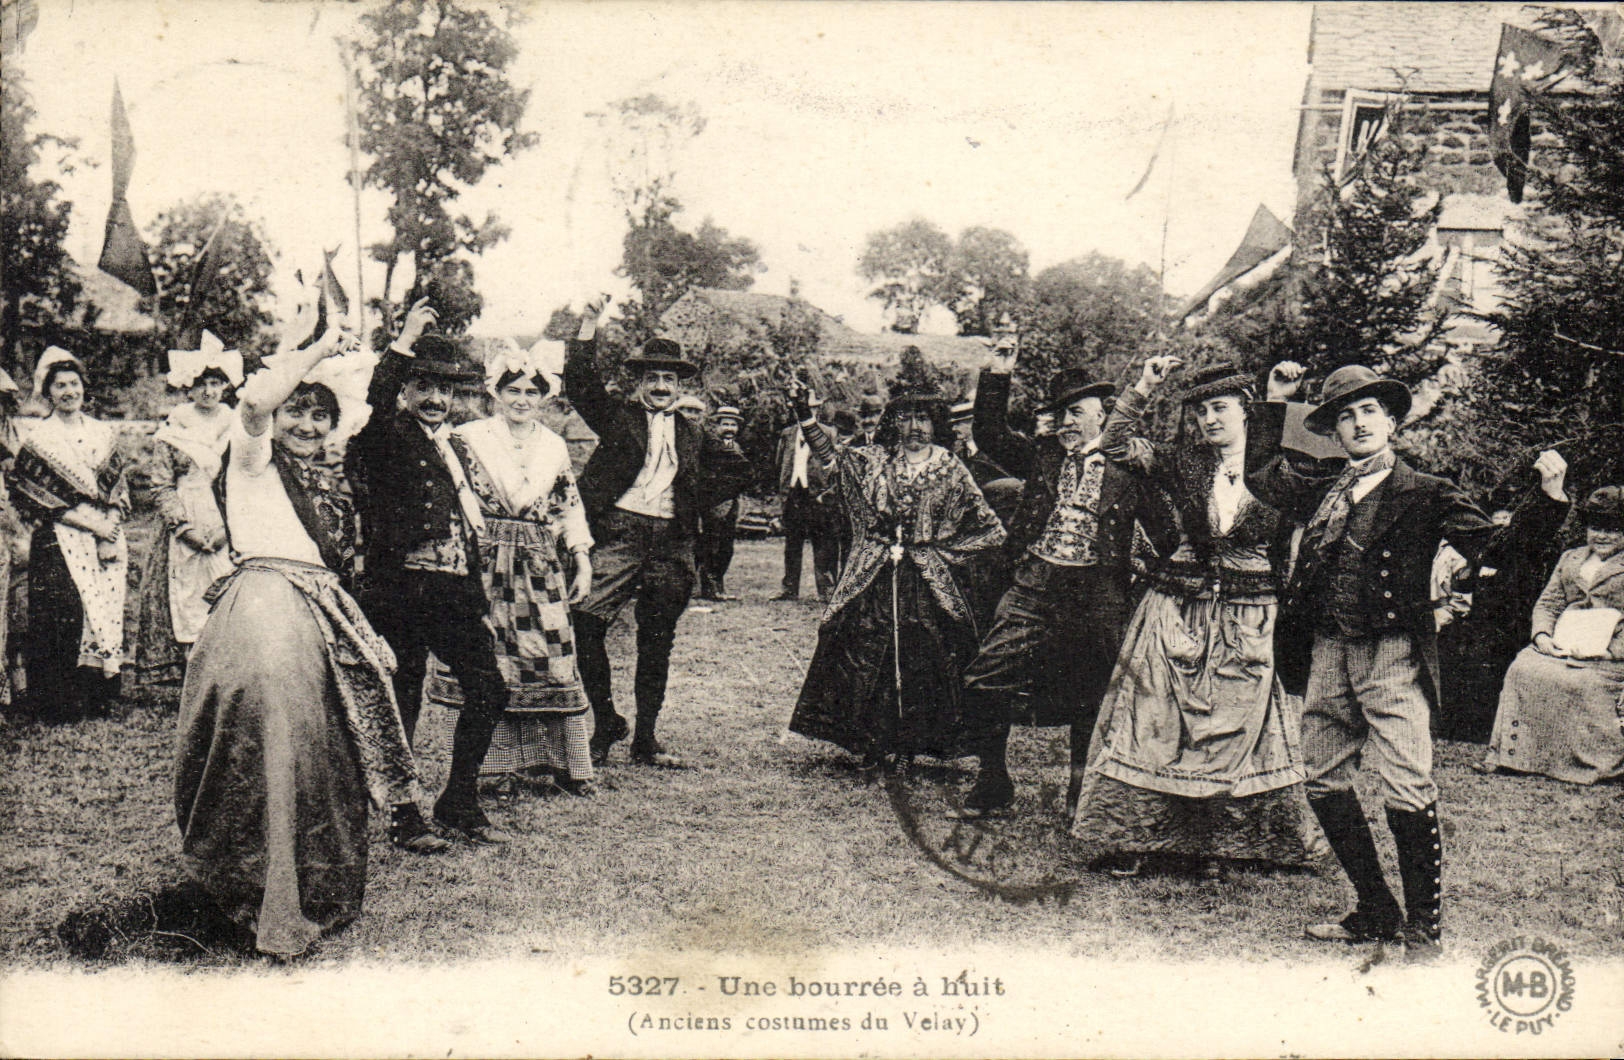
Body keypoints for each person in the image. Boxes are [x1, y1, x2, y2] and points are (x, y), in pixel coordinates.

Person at [1247, 361, 1569, 951]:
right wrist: (1274, 403)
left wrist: (1547, 501)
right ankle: (1376, 909)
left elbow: (1493, 550)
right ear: (1334, 433)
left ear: (1392, 421)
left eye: (1369, 411)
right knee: (1321, 781)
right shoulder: (1323, 485)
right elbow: (1260, 476)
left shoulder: (1426, 491)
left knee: (1407, 783)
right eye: (1345, 416)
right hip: (1327, 652)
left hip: (1393, 653)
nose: (1357, 423)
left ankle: (1424, 928)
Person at [175, 315, 431, 959]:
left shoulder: (335, 475)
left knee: (326, 747)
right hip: (263, 608)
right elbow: (256, 401)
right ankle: (255, 890)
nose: (307, 426)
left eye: (320, 416)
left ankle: (310, 888)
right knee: (272, 741)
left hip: (320, 612)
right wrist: (318, 348)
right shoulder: (254, 460)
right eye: (298, 412)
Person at [1070, 358, 1321, 876]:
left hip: (1249, 611)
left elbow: (1328, 465)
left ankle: (1220, 844)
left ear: (1247, 412)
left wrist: (1281, 400)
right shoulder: (1182, 461)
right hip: (1176, 604)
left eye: (1220, 408)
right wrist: (1144, 385)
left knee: (1235, 726)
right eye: (1201, 410)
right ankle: (1137, 840)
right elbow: (1115, 444)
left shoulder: (1282, 469)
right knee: (1153, 718)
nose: (1209, 419)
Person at [953, 334, 1145, 818]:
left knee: (1094, 694)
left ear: (1104, 414)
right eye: (1059, 415)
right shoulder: (1044, 455)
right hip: (1035, 583)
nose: (1065, 423)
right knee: (984, 678)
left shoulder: (1131, 463)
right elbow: (992, 433)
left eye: (1076, 413)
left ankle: (1082, 800)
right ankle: (993, 781)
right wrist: (998, 373)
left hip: (1099, 590)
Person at [347, 299, 513, 845]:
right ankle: (401, 814)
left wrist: (477, 598)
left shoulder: (454, 446)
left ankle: (458, 801)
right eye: (424, 387)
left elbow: (466, 527)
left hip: (452, 590)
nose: (436, 399)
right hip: (399, 588)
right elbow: (370, 404)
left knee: (488, 687)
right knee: (404, 697)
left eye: (446, 389)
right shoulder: (384, 435)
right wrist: (402, 341)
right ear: (405, 390)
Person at [565, 302, 750, 768]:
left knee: (657, 636)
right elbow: (580, 385)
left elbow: (739, 469)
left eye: (670, 379)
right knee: (585, 620)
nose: (662, 386)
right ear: (639, 382)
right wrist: (588, 327)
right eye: (653, 378)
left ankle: (645, 738)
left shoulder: (694, 433)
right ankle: (606, 720)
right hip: (618, 534)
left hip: (671, 542)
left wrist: (696, 501)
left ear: (680, 385)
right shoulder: (616, 417)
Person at [788, 378, 1006, 771]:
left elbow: (990, 528)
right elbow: (832, 455)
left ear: (935, 424)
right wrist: (804, 415)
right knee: (868, 651)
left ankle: (917, 743)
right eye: (906, 419)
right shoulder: (876, 459)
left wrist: (945, 552)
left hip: (927, 582)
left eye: (923, 419)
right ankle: (873, 742)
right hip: (875, 574)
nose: (915, 428)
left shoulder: (951, 469)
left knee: (924, 655)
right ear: (896, 424)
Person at [423, 345, 599, 796]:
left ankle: (562, 764)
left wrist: (580, 556)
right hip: (485, 557)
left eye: (531, 392)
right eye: (513, 390)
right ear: (496, 392)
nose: (522, 399)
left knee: (549, 654)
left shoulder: (554, 444)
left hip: (539, 560)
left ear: (543, 396)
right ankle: (494, 769)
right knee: (494, 657)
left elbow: (567, 505)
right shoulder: (467, 437)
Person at [9, 348, 130, 721]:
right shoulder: (39, 437)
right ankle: (57, 702)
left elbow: (117, 485)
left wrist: (108, 528)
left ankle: (98, 696)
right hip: (57, 538)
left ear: (83, 387)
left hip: (104, 535)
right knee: (62, 615)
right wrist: (88, 523)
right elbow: (34, 494)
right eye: (59, 385)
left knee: (102, 611)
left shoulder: (101, 431)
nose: (68, 391)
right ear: (48, 392)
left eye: (73, 384)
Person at [129, 332, 242, 707]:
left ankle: (224, 680)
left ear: (226, 385)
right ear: (188, 387)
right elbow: (160, 484)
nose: (209, 391)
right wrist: (184, 527)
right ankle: (188, 681)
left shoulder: (236, 425)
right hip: (184, 520)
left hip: (227, 519)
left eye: (216, 383)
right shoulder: (175, 428)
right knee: (183, 595)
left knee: (226, 592)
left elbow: (241, 479)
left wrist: (226, 528)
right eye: (201, 384)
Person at [1482, 485, 1624, 784]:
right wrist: (1543, 636)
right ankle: (1514, 755)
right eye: (1595, 527)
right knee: (1523, 667)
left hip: (1608, 655)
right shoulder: (1570, 558)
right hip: (1562, 643)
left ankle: (1590, 762)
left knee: (1582, 682)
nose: (1601, 536)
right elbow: (1549, 602)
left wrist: (1610, 651)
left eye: (1611, 530)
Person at [773, 395, 842, 602]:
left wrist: (828, 492)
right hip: (794, 493)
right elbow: (780, 464)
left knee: (823, 542)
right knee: (792, 543)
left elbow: (835, 466)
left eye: (813, 408)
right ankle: (789, 588)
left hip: (818, 494)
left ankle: (827, 589)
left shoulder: (828, 433)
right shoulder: (787, 434)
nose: (808, 412)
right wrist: (783, 494)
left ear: (818, 410)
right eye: (804, 408)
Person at [695, 404, 751, 601]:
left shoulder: (737, 447)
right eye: (725, 424)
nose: (729, 428)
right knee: (711, 544)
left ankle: (719, 585)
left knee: (727, 546)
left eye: (733, 425)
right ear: (717, 426)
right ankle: (708, 588)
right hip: (713, 502)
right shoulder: (709, 446)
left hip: (732, 502)